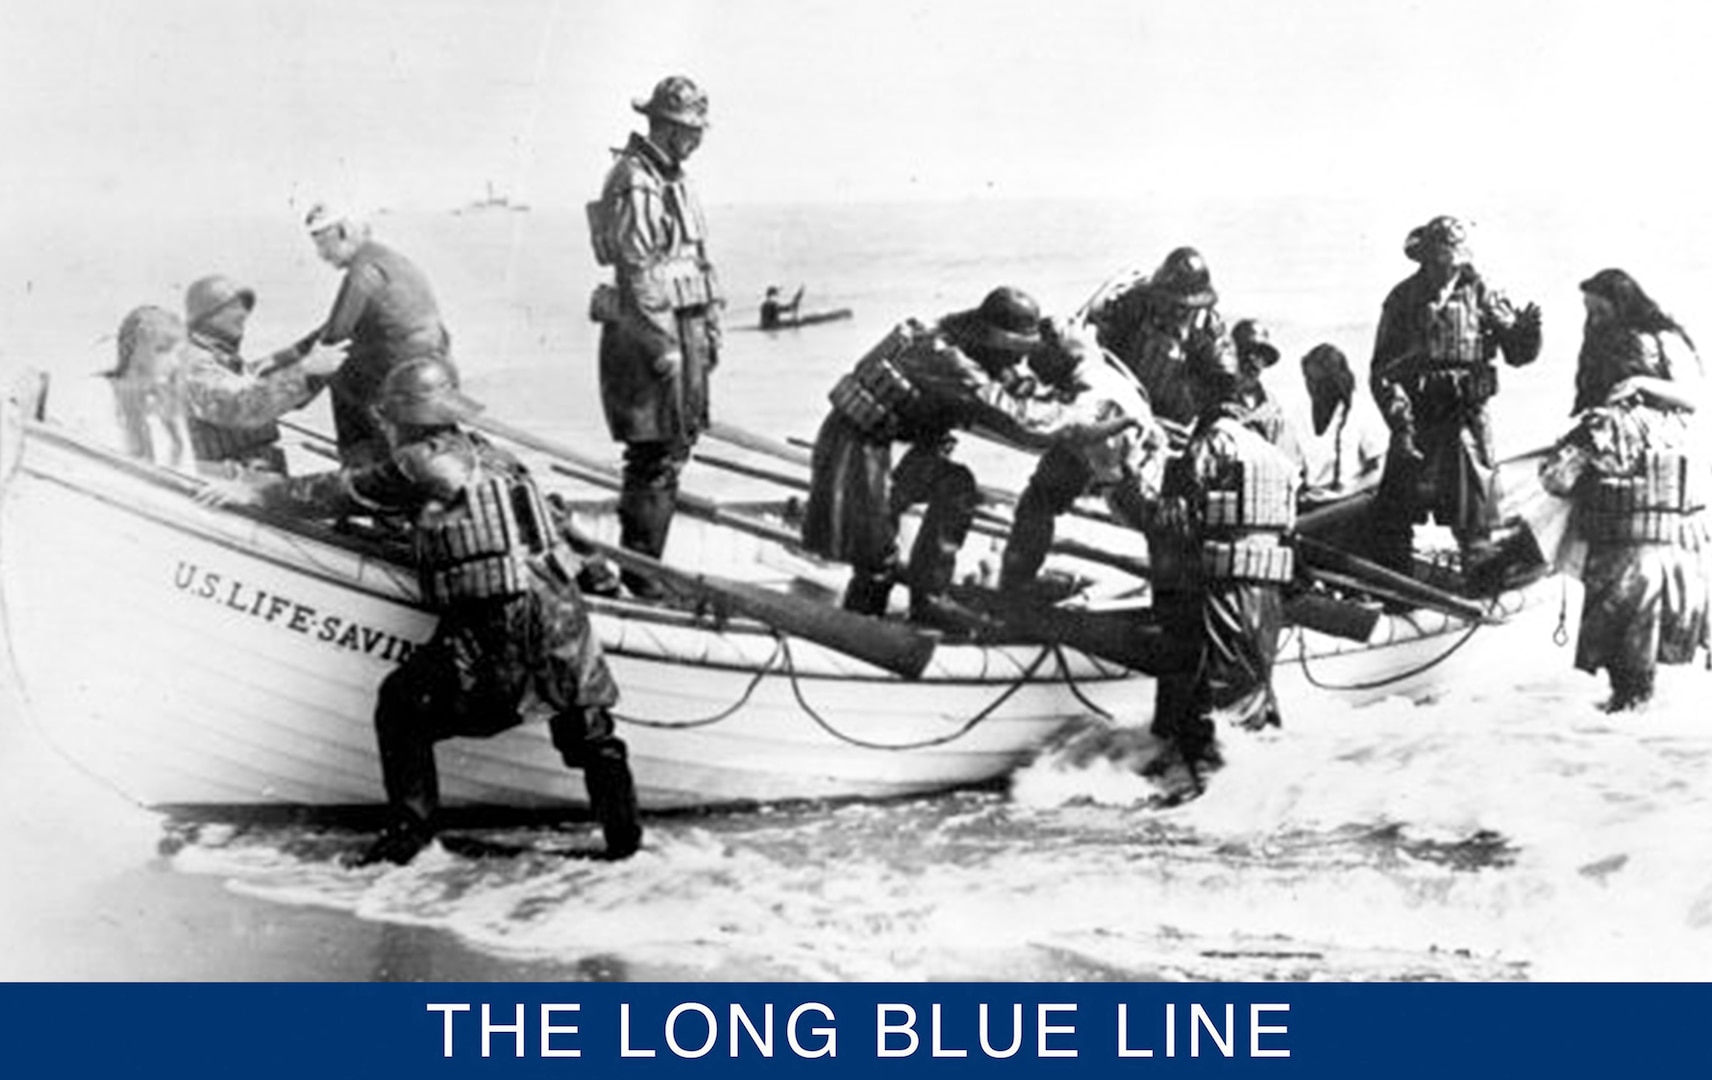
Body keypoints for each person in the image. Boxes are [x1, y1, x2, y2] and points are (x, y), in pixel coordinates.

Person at [199, 356, 642, 865]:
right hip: (563, 615)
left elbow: (338, 491)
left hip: (497, 624)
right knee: (591, 736)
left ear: (404, 419)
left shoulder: (420, 461)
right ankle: (628, 848)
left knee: (402, 706)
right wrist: (605, 582)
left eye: (388, 420)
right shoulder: (497, 456)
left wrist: (255, 491)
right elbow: (563, 527)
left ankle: (410, 841)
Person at [802, 286, 1130, 627]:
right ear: (993, 339)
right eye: (1013, 351)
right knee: (876, 558)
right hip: (857, 450)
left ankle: (929, 599)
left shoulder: (968, 345)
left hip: (891, 448)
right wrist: (1080, 417)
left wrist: (1062, 395)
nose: (1017, 361)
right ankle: (863, 629)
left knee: (956, 486)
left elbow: (1012, 389)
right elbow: (1020, 421)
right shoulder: (943, 356)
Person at [1122, 330, 1300, 795]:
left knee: (1216, 702)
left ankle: (1212, 813)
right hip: (1267, 593)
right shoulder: (1271, 455)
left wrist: (1124, 486)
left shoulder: (1206, 448)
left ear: (1197, 388)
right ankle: (1272, 794)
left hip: (1224, 591)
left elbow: (1171, 524)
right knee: (1256, 696)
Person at [1539, 269, 1709, 712]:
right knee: (1672, 616)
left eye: (1598, 310)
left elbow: (1555, 479)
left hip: (1625, 541)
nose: (1592, 320)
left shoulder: (1606, 424)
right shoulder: (1673, 424)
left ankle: (1628, 706)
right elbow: (1694, 397)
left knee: (1627, 638)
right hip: (1679, 524)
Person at [587, 75, 722, 598]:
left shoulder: (674, 178)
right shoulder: (635, 179)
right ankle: (641, 578)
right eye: (690, 128)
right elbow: (638, 270)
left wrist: (709, 326)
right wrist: (664, 344)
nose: (698, 138)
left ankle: (644, 571)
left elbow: (697, 258)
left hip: (681, 327)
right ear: (665, 126)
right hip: (646, 335)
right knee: (653, 457)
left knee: (673, 450)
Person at [1368, 215, 1542, 575]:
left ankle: (1482, 575)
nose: (1447, 267)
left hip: (1466, 416)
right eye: (1440, 259)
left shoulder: (1484, 293)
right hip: (1417, 415)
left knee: (1474, 509)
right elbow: (1382, 371)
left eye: (1454, 259)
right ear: (1427, 259)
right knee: (1395, 510)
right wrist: (1401, 423)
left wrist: (1527, 334)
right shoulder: (1403, 299)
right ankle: (1393, 585)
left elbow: (1518, 355)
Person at [998, 316, 1168, 595]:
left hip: (1130, 481)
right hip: (1109, 458)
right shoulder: (1098, 365)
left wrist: (1125, 421)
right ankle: (1018, 580)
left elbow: (1078, 430)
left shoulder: (1091, 384)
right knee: (1040, 496)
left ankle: (1016, 583)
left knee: (1162, 535)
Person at [303, 202, 450, 467]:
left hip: (399, 375)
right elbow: (332, 328)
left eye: (324, 244)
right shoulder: (390, 260)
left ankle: (359, 463)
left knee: (340, 372)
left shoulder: (363, 271)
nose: (321, 255)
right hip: (437, 367)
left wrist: (286, 381)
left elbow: (332, 338)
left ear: (345, 232)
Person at [178, 274, 348, 474]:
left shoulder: (222, 359)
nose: (243, 314)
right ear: (206, 315)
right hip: (225, 482)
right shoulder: (193, 362)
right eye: (232, 307)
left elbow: (261, 374)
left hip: (251, 475)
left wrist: (324, 337)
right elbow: (238, 405)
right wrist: (305, 370)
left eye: (244, 307)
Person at [1081, 246, 1238, 439]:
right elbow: (1090, 322)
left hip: (1172, 426)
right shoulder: (1136, 305)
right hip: (1120, 409)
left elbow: (1225, 386)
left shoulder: (1208, 328)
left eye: (1185, 307)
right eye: (1171, 302)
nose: (1177, 312)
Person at [1297, 343, 1387, 502]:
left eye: (1321, 383)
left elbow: (1380, 470)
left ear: (1336, 381)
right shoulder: (1300, 415)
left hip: (1349, 505)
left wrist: (1345, 493)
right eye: (1309, 380)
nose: (1313, 388)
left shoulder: (1361, 411)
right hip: (1313, 503)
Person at [105, 305, 192, 469]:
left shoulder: (161, 405)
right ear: (137, 351)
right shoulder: (102, 394)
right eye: (163, 351)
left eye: (179, 354)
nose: (176, 363)